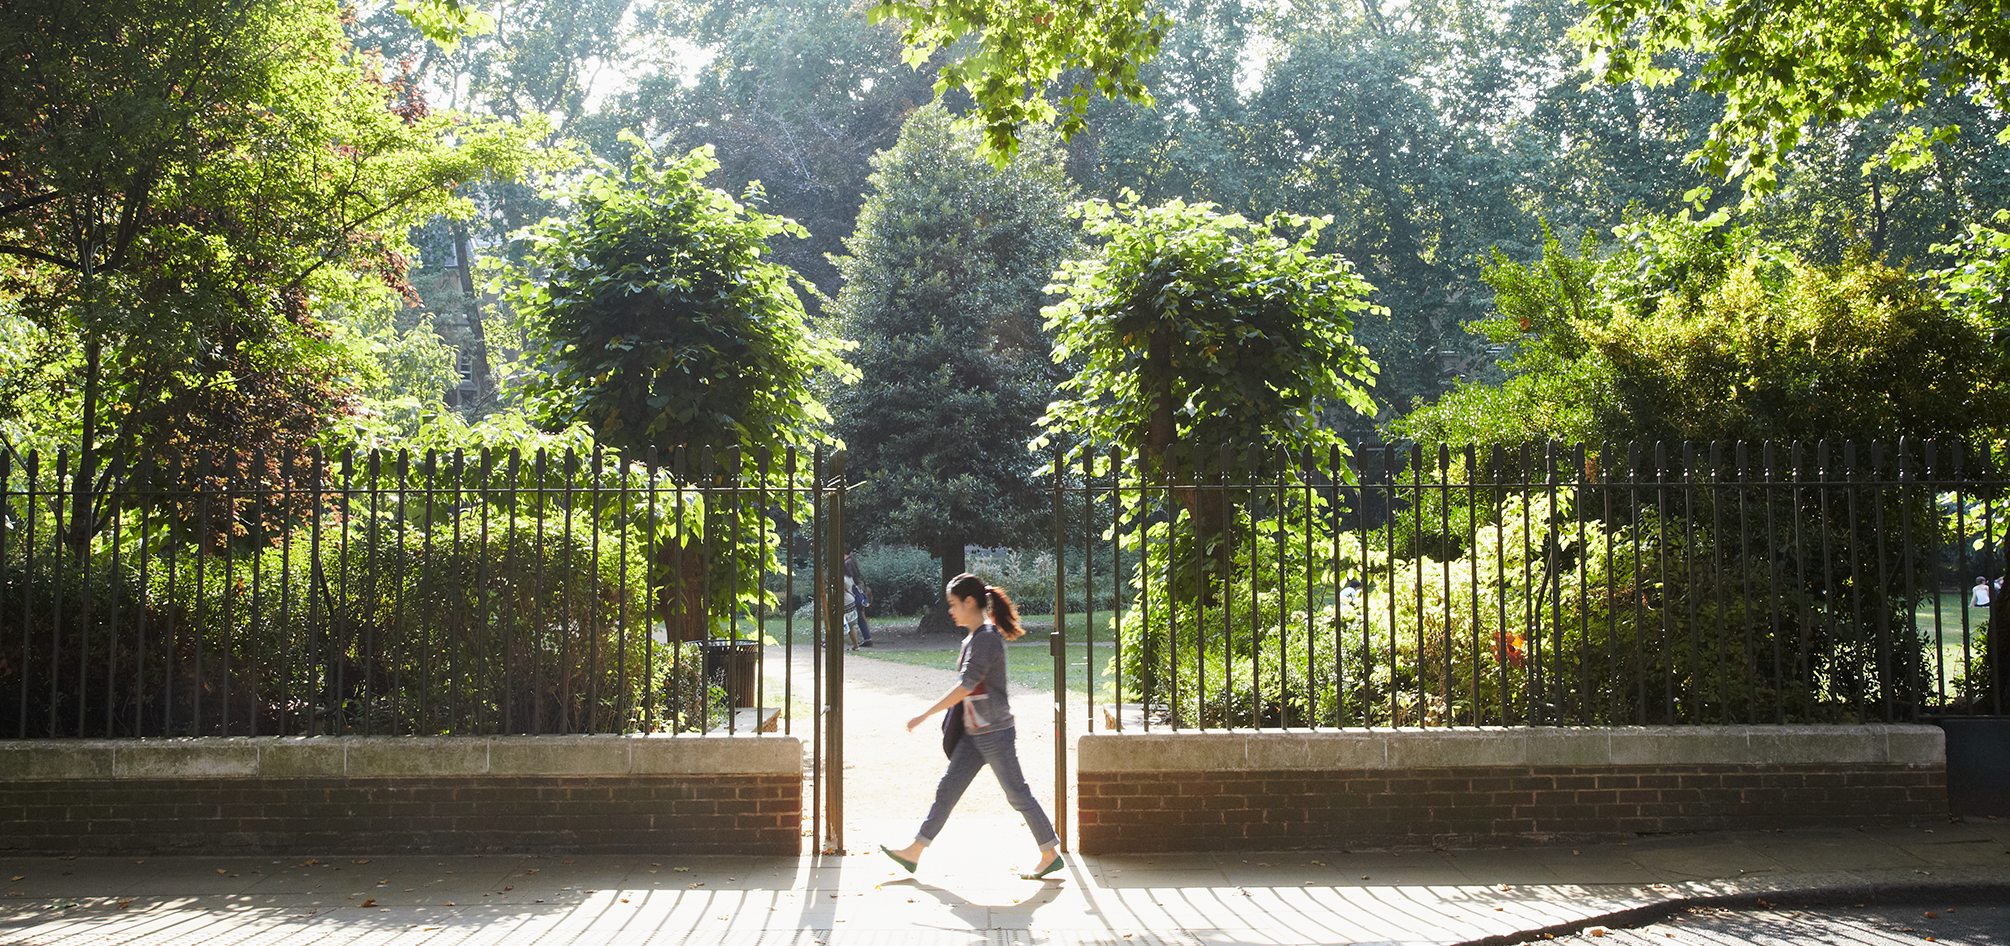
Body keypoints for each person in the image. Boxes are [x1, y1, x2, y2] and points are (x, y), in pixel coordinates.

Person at [879, 573, 1064, 881]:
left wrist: (924, 713)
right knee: (947, 790)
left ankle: (1049, 854)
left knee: (1018, 794)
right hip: (976, 733)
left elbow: (965, 686)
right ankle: (913, 852)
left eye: (953, 604)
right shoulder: (974, 637)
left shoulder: (986, 639)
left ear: (969, 602)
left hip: (994, 733)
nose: (950, 610)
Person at [843, 551, 874, 649]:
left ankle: (867, 638)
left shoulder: (847, 564)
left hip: (851, 596)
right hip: (855, 593)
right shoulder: (851, 565)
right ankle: (866, 638)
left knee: (856, 619)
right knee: (860, 617)